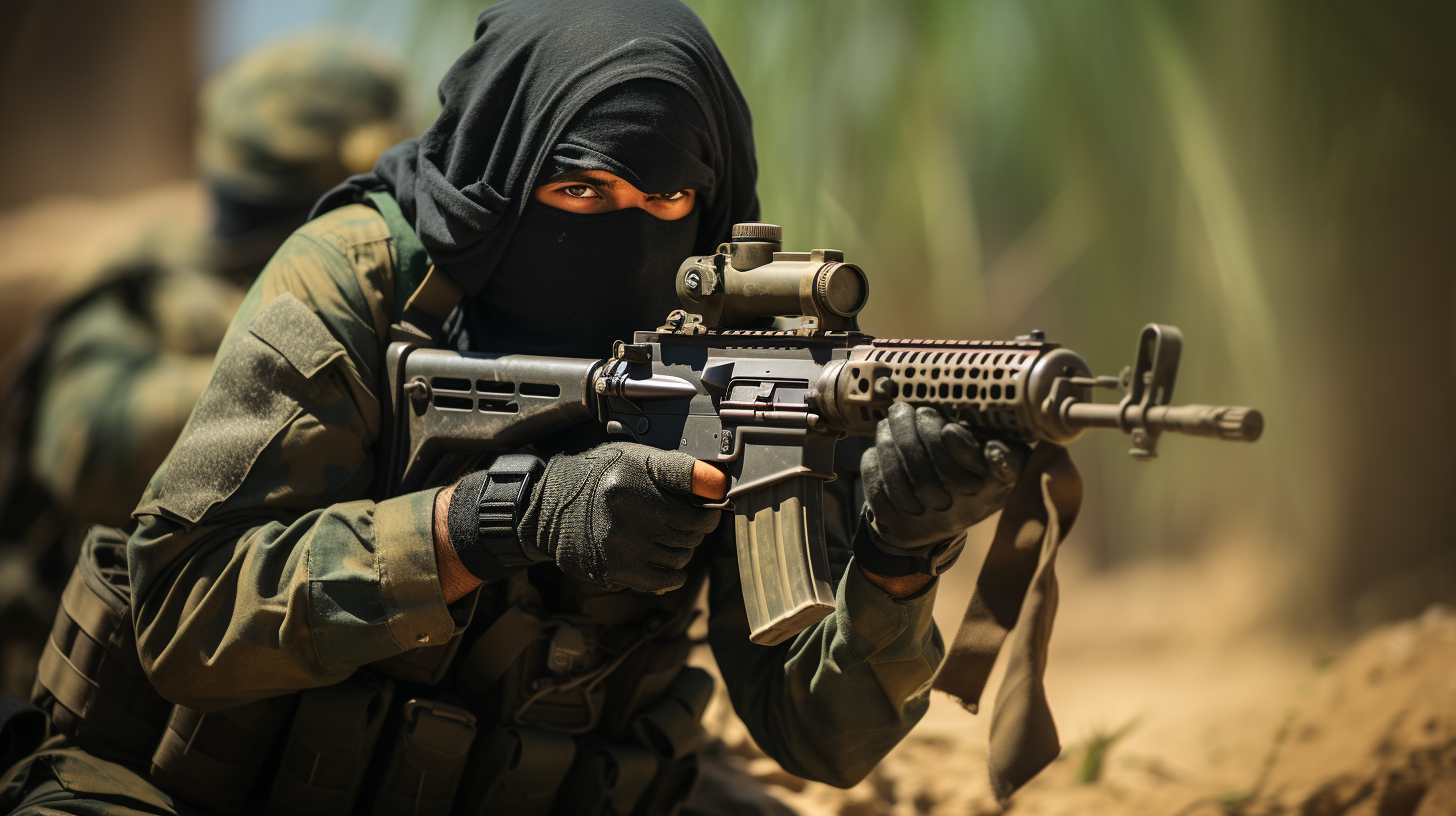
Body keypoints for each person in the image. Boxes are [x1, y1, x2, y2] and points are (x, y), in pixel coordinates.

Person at [0, 1, 1025, 813]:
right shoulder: (363, 282)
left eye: (666, 201)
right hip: (214, 789)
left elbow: (823, 740)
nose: (626, 231)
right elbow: (182, 615)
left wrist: (896, 559)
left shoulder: (740, 348)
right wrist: (495, 520)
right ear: (506, 160)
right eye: (579, 194)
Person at [0, 34, 409, 696]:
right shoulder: (150, 279)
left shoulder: (394, 286)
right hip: (99, 684)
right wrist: (306, 369)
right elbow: (89, 447)